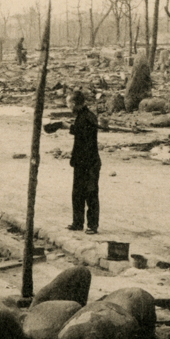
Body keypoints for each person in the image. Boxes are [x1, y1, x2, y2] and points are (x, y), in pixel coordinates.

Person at [65, 89, 101, 235]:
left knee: (91, 193)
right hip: (81, 161)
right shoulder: (82, 116)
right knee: (77, 193)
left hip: (90, 162)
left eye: (68, 103)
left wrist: (66, 126)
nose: (68, 107)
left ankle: (92, 225)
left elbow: (84, 134)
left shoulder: (88, 117)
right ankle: (77, 222)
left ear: (73, 103)